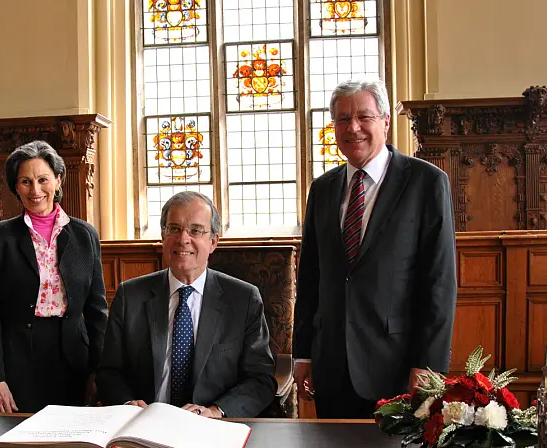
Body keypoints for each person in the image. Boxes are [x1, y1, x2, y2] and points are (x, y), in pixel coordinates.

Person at [293, 79, 457, 419]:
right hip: (332, 367)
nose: (353, 128)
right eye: (342, 119)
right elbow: (310, 279)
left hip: (398, 367)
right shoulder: (322, 189)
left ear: (385, 121)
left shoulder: (426, 183)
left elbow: (439, 282)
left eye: (363, 116)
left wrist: (428, 364)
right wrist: (303, 354)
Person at [97, 191, 277, 418]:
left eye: (195, 230)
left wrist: (215, 411)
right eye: (174, 228)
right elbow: (109, 372)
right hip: (144, 424)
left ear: (213, 242)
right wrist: (127, 404)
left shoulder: (243, 299)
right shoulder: (130, 296)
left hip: (213, 426)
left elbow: (260, 379)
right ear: (163, 236)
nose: (183, 239)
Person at [0, 140, 107, 413]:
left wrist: (99, 372)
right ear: (15, 187)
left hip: (75, 361)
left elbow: (97, 313)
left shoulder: (85, 235)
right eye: (26, 181)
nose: (35, 190)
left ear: (58, 180)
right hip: (17, 362)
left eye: (43, 179)